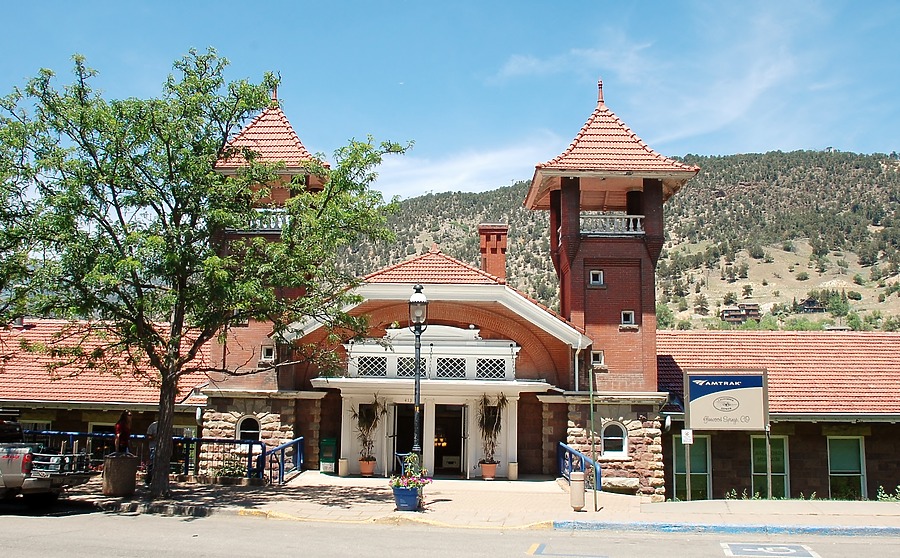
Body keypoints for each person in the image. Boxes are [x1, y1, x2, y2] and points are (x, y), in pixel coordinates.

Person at [145, 419, 158, 486]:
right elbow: (148, 436)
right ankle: (148, 481)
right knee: (152, 465)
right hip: (153, 447)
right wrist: (155, 436)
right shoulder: (153, 426)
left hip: (163, 449)